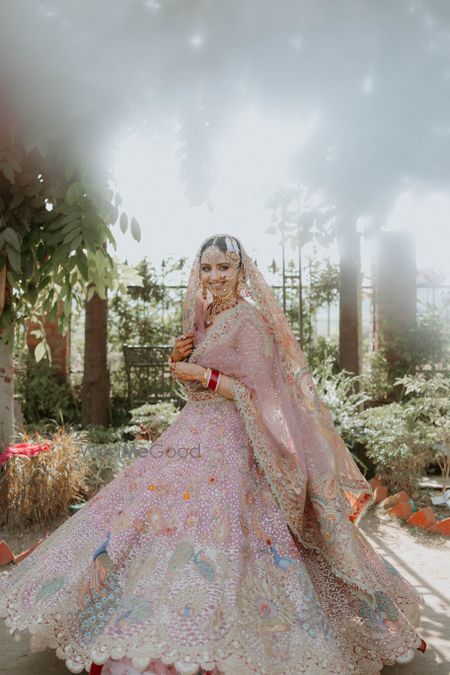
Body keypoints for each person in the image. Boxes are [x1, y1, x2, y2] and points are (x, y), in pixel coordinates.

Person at [0, 234, 426, 675]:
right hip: (192, 433)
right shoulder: (204, 314)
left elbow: (258, 391)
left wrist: (203, 373)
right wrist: (180, 364)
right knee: (146, 518)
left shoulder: (251, 320)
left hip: (236, 442)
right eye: (207, 268)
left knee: (227, 525)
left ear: (242, 270)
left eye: (224, 267)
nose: (215, 276)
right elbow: (195, 387)